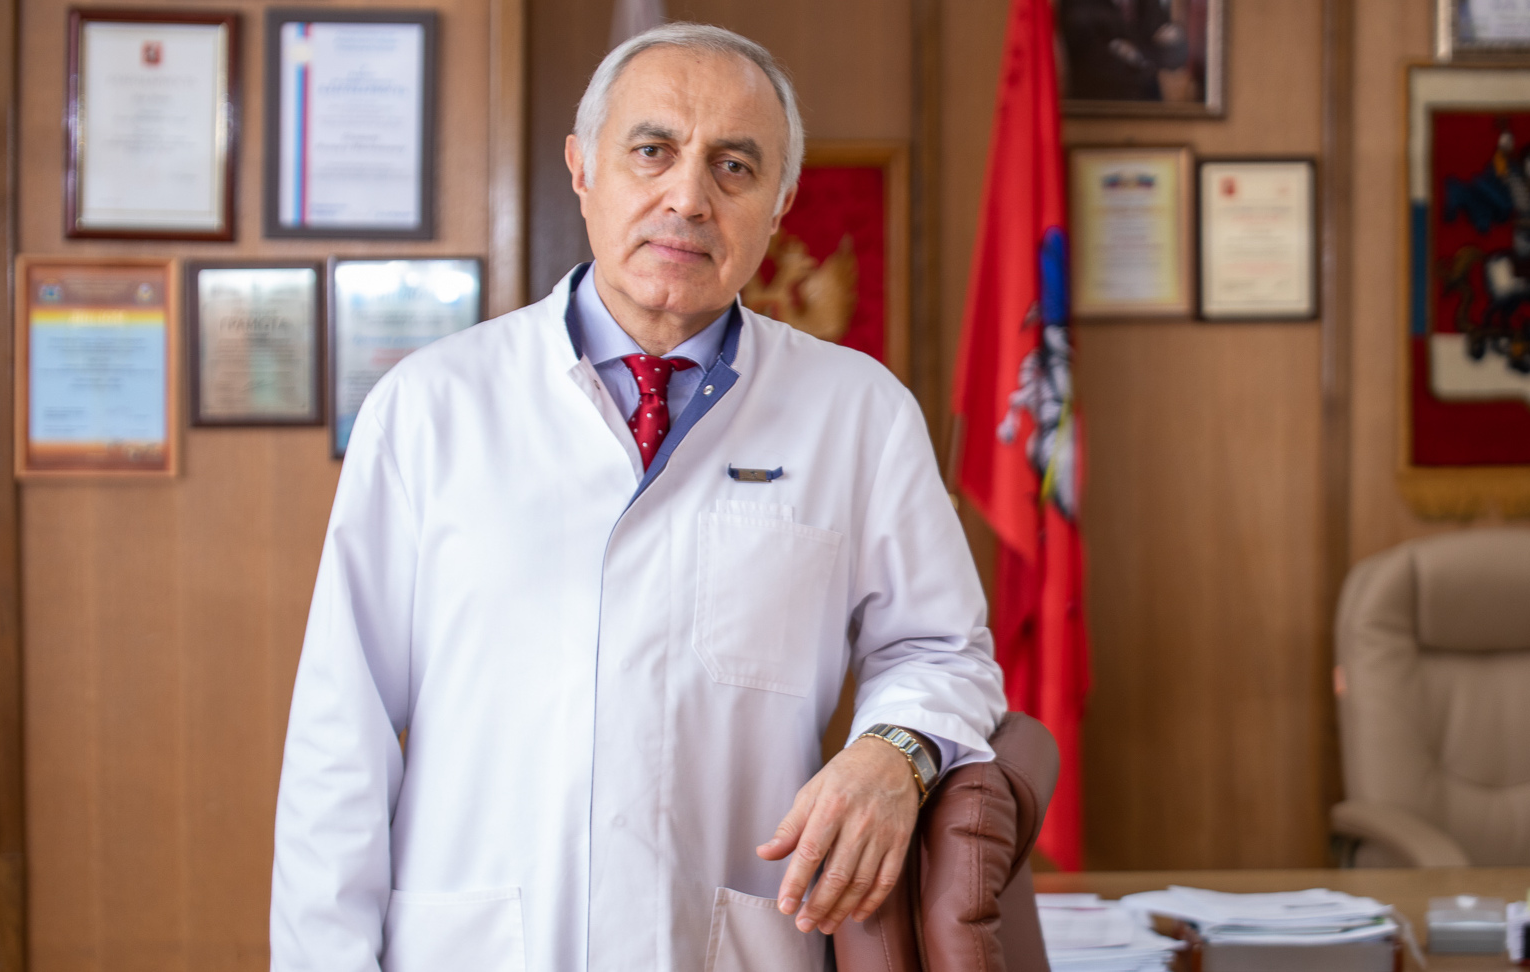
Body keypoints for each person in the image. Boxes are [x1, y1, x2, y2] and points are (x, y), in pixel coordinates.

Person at [269, 23, 1005, 972]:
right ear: (582, 168)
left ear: (779, 204)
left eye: (734, 166)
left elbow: (943, 650)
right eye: (652, 151)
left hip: (730, 945)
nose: (688, 198)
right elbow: (342, 733)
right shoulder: (430, 407)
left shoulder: (860, 413)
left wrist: (894, 752)